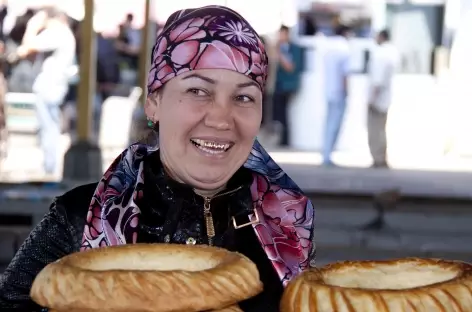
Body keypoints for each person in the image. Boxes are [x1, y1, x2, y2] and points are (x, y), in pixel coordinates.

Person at [0, 6, 316, 312]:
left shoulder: (287, 224)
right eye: (198, 91)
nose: (222, 119)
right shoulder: (78, 217)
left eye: (244, 97)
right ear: (154, 103)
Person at [15, 7, 76, 175]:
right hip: (55, 85)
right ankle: (50, 166)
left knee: (48, 126)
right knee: (51, 124)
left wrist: (32, 26)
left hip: (49, 85)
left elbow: (26, 48)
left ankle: (49, 168)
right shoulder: (65, 34)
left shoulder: (57, 32)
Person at [367, 29, 398, 168]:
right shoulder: (392, 53)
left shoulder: (380, 55)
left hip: (378, 98)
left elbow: (377, 80)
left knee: (375, 130)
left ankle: (378, 158)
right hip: (385, 98)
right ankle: (381, 157)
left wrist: (372, 99)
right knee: (381, 129)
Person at [321, 24, 351, 166]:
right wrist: (347, 91)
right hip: (339, 91)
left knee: (328, 123)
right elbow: (344, 74)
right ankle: (328, 156)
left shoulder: (328, 47)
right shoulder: (344, 48)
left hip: (328, 90)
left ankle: (325, 153)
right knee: (335, 124)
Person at [272, 25, 304, 147]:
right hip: (278, 85)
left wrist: (279, 54)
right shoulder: (276, 48)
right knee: (279, 113)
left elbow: (290, 67)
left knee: (283, 113)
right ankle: (281, 138)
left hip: (288, 85)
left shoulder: (294, 49)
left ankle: (285, 140)